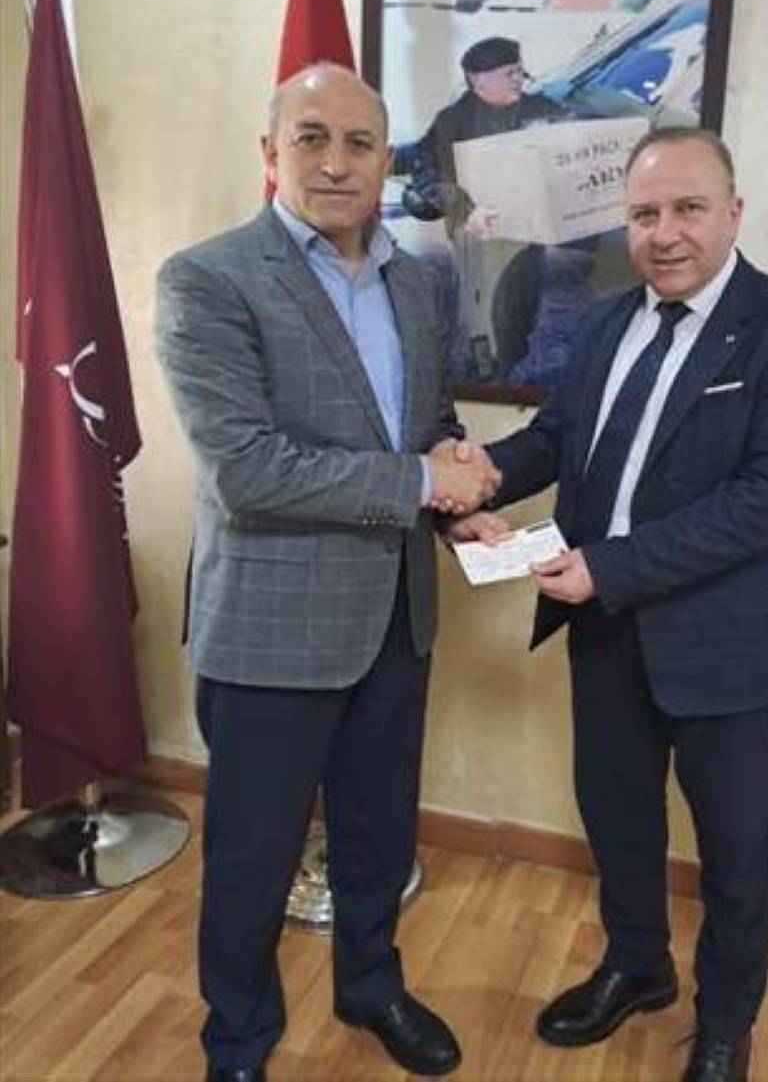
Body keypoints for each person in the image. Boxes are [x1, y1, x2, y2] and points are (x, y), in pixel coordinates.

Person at [454, 127, 768, 1080]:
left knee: (736, 853)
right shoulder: (604, 324)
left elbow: (766, 499)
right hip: (606, 631)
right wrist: (477, 478)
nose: (664, 233)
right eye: (643, 213)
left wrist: (610, 566)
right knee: (618, 818)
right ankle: (637, 966)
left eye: (687, 208)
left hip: (728, 645)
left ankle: (724, 1026)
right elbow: (556, 438)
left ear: (734, 212)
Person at [155, 63, 499, 1082]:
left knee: (377, 836)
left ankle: (371, 986)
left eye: (358, 142)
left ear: (386, 159)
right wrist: (423, 481)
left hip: (397, 616)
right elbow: (249, 470)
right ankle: (238, 1041)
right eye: (310, 138)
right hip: (270, 627)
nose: (336, 163)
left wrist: (458, 497)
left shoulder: (418, 282)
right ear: (271, 154)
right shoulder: (208, 280)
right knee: (252, 858)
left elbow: (425, 426)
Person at [398, 36, 568, 379]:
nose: (519, 79)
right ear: (478, 80)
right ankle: (486, 366)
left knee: (521, 305)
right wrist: (464, 210)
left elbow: (570, 152)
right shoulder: (451, 121)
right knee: (485, 306)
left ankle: (510, 358)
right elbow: (430, 174)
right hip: (476, 230)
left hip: (527, 231)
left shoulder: (543, 110)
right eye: (510, 73)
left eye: (520, 71)